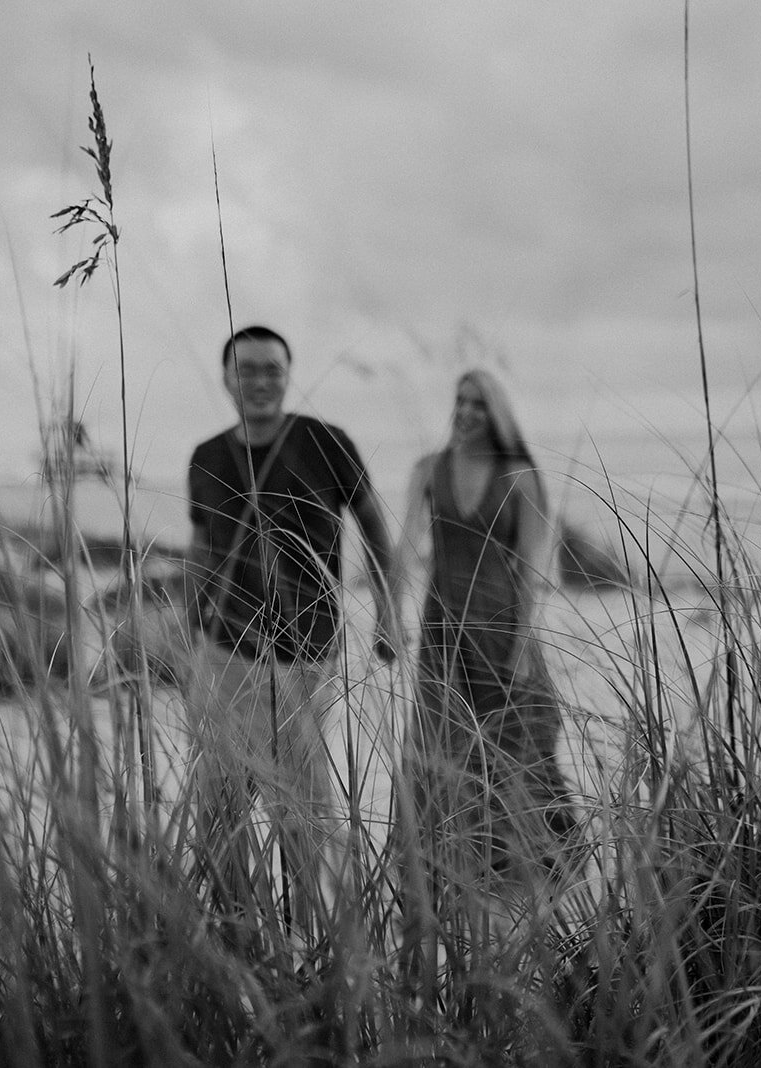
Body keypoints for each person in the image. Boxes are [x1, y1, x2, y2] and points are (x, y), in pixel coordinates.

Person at [184, 324, 397, 934]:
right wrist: (189, 628)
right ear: (226, 377)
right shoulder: (206, 456)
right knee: (218, 798)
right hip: (224, 650)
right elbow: (202, 546)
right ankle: (234, 929)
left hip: (306, 650)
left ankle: (315, 931)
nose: (258, 380)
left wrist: (387, 611)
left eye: (271, 368)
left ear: (289, 372)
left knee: (301, 800)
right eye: (245, 369)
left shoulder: (326, 442)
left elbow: (376, 529)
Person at [392, 368, 580, 948]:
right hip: (443, 629)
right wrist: (386, 614)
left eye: (478, 403)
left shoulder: (519, 476)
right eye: (460, 400)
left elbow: (531, 569)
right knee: (438, 742)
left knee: (517, 740)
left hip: (502, 629)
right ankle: (446, 860)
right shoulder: (428, 470)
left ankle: (532, 864)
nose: (466, 412)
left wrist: (524, 643)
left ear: (495, 411)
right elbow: (405, 548)